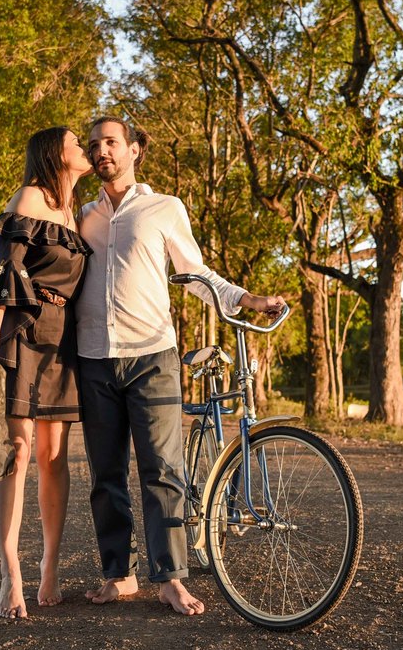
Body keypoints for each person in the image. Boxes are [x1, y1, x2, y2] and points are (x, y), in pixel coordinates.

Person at [75, 116, 285, 616]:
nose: (102, 151)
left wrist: (248, 299)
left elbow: (195, 275)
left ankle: (170, 578)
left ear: (133, 149)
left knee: (161, 471)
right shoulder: (81, 215)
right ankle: (118, 576)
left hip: (153, 356)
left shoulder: (163, 208)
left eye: (111, 142)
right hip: (93, 357)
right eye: (95, 145)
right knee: (105, 474)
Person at [0, 126, 93, 619]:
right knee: (17, 455)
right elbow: (5, 264)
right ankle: (9, 573)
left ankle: (49, 567)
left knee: (53, 457)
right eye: (76, 144)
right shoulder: (31, 197)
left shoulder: (74, 213)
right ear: (53, 153)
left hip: (64, 341)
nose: (85, 150)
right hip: (23, 331)